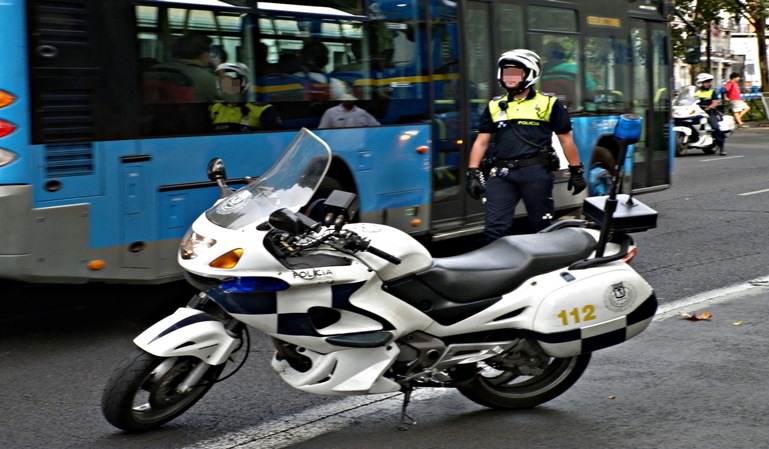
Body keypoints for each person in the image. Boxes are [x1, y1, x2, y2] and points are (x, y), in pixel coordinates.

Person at [465, 49, 586, 242]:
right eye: (506, 73)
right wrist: (472, 173)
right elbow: (482, 141)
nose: (509, 78)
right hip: (501, 174)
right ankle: (499, 269)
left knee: (541, 227)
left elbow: (565, 139)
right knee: (494, 229)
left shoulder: (549, 103)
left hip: (535, 174)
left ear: (530, 74)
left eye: (515, 73)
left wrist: (576, 171)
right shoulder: (494, 105)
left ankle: (545, 268)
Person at [210, 62, 282, 131]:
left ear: (243, 83)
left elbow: (274, 139)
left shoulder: (263, 110)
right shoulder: (214, 108)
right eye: (223, 82)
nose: (225, 86)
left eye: (231, 83)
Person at [695, 73, 727, 156]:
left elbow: (715, 103)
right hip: (695, 112)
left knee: (716, 128)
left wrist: (708, 108)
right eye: (706, 82)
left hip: (708, 112)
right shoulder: (695, 91)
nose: (709, 83)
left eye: (709, 81)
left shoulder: (712, 91)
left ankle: (721, 146)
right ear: (700, 83)